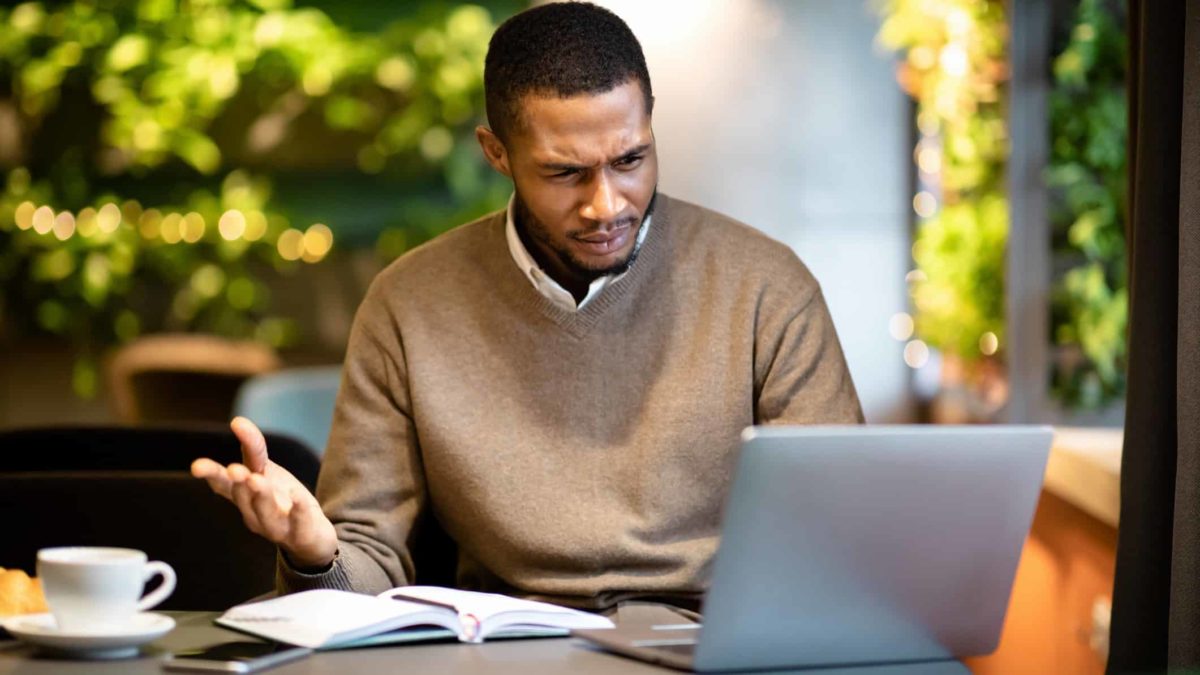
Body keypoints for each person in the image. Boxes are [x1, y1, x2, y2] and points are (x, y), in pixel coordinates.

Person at [193, 1, 863, 613]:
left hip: (716, 636)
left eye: (631, 158)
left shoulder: (766, 286)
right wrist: (316, 552)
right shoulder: (409, 305)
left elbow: (844, 531)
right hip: (508, 646)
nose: (607, 204)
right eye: (565, 172)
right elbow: (368, 564)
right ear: (497, 154)